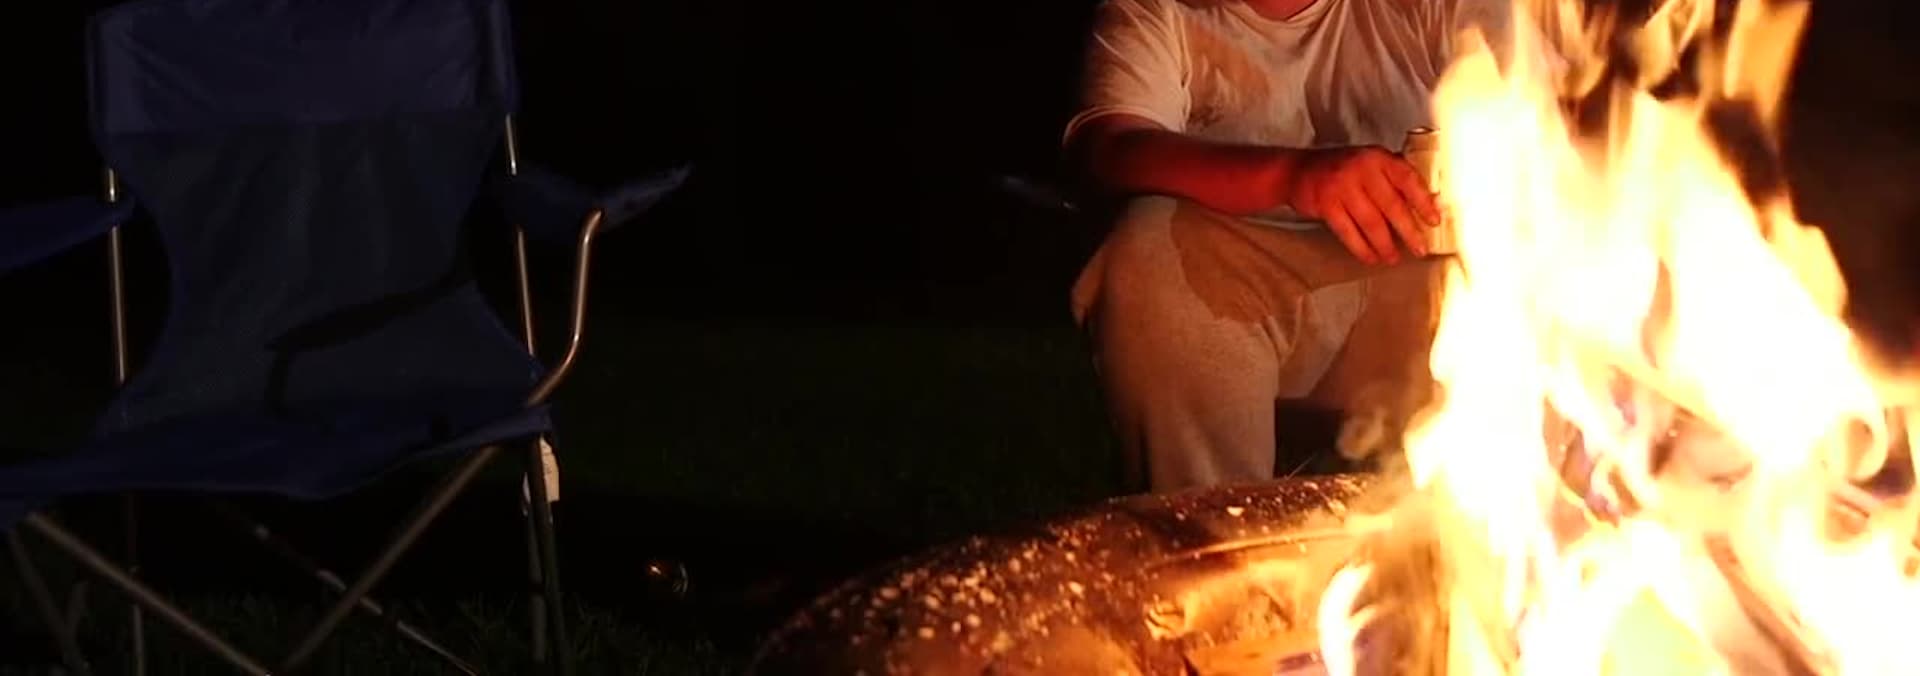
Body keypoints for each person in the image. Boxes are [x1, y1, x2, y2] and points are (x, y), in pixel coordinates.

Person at [1066, 0, 1508, 492]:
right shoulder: (1160, 13)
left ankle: (1529, 514)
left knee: (1550, 242)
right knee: (1149, 253)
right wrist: (1292, 177)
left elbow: (1548, 104)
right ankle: (1214, 523)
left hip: (1423, 287)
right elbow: (1112, 149)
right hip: (1242, 294)